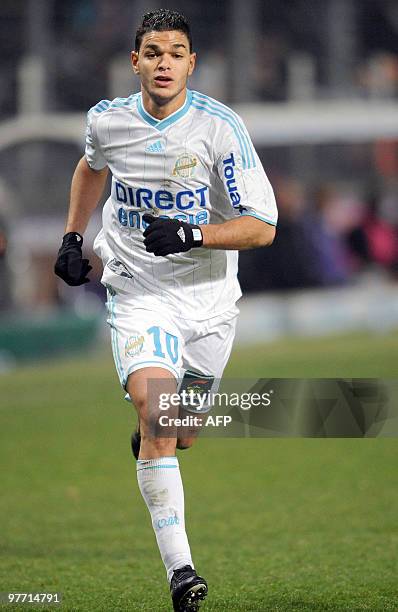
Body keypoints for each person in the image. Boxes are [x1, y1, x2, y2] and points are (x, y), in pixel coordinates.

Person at [54, 9, 277, 611]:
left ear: (191, 64)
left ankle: (157, 437)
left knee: (183, 432)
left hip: (209, 301)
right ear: (135, 62)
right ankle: (182, 573)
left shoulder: (220, 128)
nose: (163, 63)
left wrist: (193, 235)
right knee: (159, 418)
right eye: (153, 52)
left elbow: (263, 228)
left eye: (176, 52)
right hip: (137, 292)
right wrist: (73, 238)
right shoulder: (107, 120)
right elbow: (90, 167)